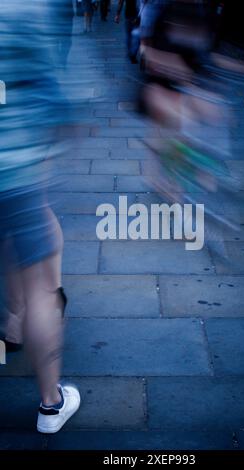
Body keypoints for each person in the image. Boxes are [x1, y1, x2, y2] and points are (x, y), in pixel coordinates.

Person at [0, 0, 80, 433]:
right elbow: (48, 80)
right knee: (41, 283)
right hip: (15, 162)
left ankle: (11, 326)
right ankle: (50, 404)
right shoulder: (25, 7)